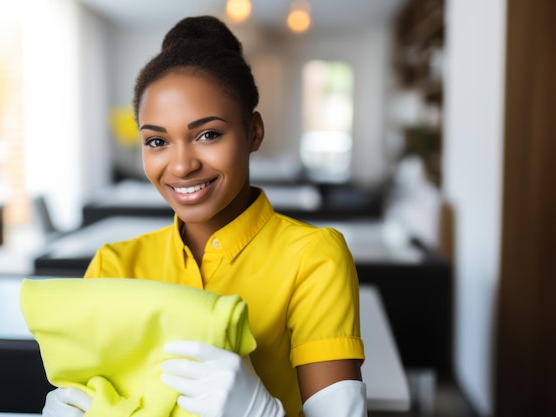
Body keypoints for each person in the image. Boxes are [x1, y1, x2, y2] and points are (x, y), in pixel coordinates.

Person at [42, 15, 367, 417]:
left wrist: (259, 412)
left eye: (208, 134)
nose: (181, 166)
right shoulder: (114, 266)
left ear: (253, 132)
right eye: (157, 141)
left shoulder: (314, 258)